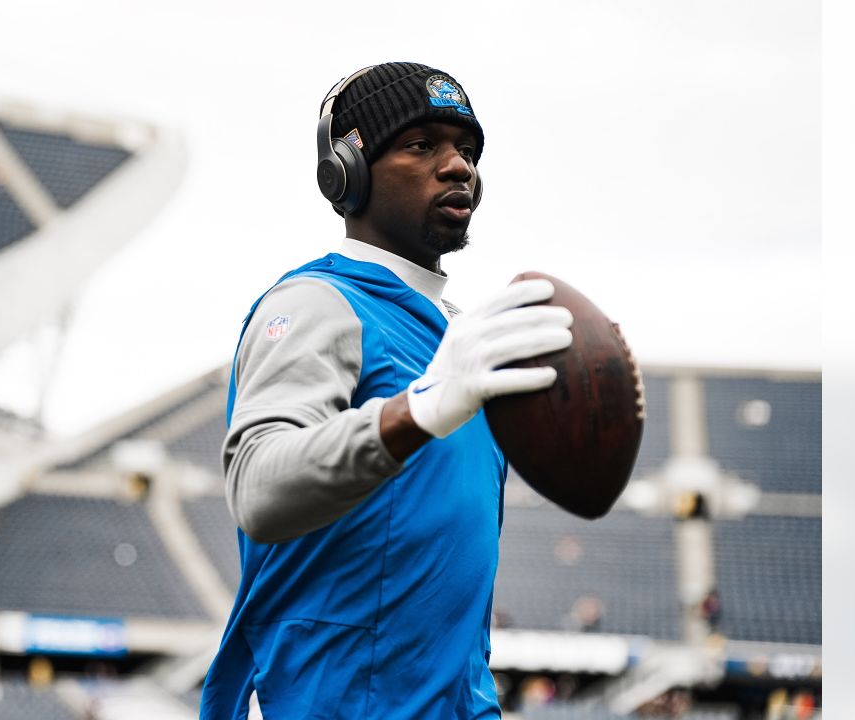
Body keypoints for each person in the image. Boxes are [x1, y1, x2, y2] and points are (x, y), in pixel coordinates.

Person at [199, 62, 575, 719]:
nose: (458, 166)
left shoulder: (464, 340)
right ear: (346, 171)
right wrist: (418, 411)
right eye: (422, 145)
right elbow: (257, 490)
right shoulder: (317, 303)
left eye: (467, 150)